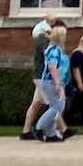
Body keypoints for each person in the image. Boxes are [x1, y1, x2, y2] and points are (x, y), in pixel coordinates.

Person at [19, 9, 64, 140]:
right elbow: (50, 60)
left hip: (40, 76)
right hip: (42, 76)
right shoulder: (44, 42)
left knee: (36, 104)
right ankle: (55, 130)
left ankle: (26, 131)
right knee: (55, 105)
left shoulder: (46, 41)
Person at [33, 27, 72, 142]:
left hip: (56, 81)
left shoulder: (58, 49)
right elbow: (52, 67)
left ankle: (51, 134)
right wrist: (57, 83)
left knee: (54, 107)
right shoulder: (54, 49)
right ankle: (38, 127)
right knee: (57, 107)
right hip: (51, 81)